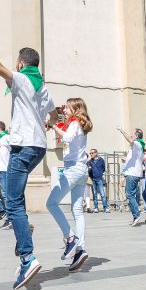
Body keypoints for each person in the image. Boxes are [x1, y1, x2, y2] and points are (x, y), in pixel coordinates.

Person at [0, 22, 57, 290]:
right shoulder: (44, 86)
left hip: (23, 147)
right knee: (16, 197)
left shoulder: (21, 79)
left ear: (20, 64)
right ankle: (23, 229)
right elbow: (54, 113)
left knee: (12, 201)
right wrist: (49, 124)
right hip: (38, 148)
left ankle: (27, 257)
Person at [47, 97, 93, 271]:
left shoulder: (74, 124)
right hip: (80, 169)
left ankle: (70, 237)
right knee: (77, 210)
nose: (63, 110)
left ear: (74, 109)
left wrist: (53, 126)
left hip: (73, 169)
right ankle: (80, 249)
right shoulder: (77, 123)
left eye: (66, 107)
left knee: (51, 203)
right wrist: (56, 126)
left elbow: (67, 138)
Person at [118, 127, 146, 225]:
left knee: (129, 195)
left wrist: (122, 131)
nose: (131, 135)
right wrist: (126, 159)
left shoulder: (137, 144)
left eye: (133, 134)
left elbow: (130, 139)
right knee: (132, 194)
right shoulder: (138, 146)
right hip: (134, 173)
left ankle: (136, 215)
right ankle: (136, 215)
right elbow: (135, 159)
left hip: (132, 174)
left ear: (137, 136)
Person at [87, 148, 108, 214]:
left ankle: (105, 207)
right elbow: (88, 167)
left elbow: (103, 168)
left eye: (92, 153)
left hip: (99, 179)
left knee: (102, 194)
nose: (91, 154)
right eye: (90, 153)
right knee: (94, 194)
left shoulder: (101, 160)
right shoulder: (90, 161)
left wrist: (100, 173)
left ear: (96, 153)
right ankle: (96, 208)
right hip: (93, 179)